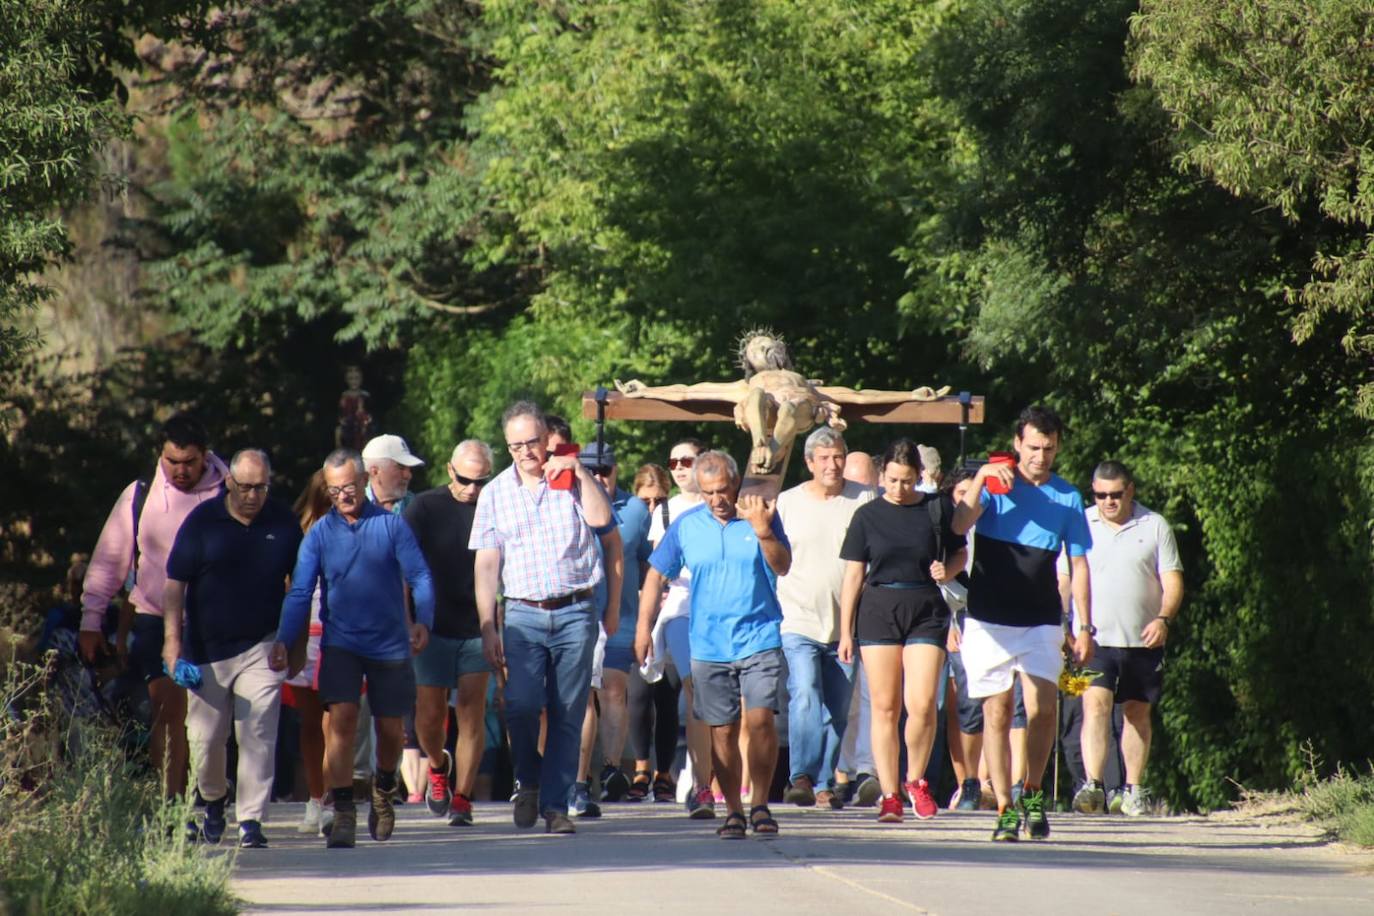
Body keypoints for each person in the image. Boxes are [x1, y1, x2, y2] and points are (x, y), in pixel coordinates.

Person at [273, 449, 435, 849]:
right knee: (341, 720)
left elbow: (420, 577)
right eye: (334, 489)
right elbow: (300, 592)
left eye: (349, 486)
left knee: (390, 729)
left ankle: (383, 788)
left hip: (390, 644)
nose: (343, 495)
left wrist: (423, 622)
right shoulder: (319, 535)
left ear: (364, 480)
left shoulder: (391, 527)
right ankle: (343, 810)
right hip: (341, 641)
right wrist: (283, 638)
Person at [471, 401, 617, 835]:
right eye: (515, 445)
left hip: (575, 610)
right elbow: (486, 564)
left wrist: (579, 471)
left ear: (546, 439)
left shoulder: (571, 482)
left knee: (567, 710)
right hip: (522, 614)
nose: (524, 452)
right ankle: (528, 781)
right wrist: (487, 625)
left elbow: (602, 519)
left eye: (531, 442)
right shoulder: (495, 491)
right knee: (520, 705)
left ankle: (555, 807)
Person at [952, 405, 1093, 842]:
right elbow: (958, 525)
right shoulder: (995, 485)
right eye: (1033, 447)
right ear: (1017, 444)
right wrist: (980, 479)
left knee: (1043, 709)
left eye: (1048, 448)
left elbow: (1080, 563)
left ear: (1058, 448)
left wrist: (1084, 624)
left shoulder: (1068, 497)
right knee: (995, 712)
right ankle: (1006, 809)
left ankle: (1031, 791)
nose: (1040, 456)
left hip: (1040, 617)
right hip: (989, 617)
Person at [637, 450, 792, 839]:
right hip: (708, 643)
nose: (717, 499)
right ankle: (734, 811)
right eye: (708, 492)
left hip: (759, 636)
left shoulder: (761, 514)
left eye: (723, 490)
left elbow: (783, 564)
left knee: (759, 722)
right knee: (721, 730)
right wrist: (643, 627)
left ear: (736, 483)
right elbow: (656, 573)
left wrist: (764, 531)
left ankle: (759, 804)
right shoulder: (688, 526)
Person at [80, 412, 228, 798]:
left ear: (206, 456)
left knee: (209, 722)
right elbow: (109, 560)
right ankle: (171, 808)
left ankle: (208, 797)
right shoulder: (141, 495)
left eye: (189, 462)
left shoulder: (231, 491)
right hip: (155, 619)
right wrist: (91, 622)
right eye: (171, 461)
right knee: (167, 713)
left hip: (216, 624)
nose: (179, 471)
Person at [162, 449, 302, 848]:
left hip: (262, 644)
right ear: (229, 483)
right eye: (244, 487)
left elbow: (301, 587)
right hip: (207, 648)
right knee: (204, 740)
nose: (252, 496)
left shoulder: (284, 523)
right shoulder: (202, 523)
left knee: (257, 730)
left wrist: (293, 642)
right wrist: (172, 645)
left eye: (260, 487)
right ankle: (213, 798)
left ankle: (251, 820)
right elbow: (174, 585)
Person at [838, 439, 967, 823]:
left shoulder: (936, 507)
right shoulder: (867, 516)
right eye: (892, 481)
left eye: (907, 481)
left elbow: (959, 550)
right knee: (884, 706)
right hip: (879, 609)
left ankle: (916, 780)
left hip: (925, 608)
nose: (899, 489)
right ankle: (890, 794)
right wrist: (845, 631)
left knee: (924, 703)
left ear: (919, 477)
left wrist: (951, 571)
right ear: (881, 477)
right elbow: (853, 575)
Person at [1067, 461, 1182, 817]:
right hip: (1093, 638)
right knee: (1095, 706)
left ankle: (1132, 788)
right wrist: (1065, 626)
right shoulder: (1081, 522)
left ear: (1129, 490)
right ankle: (1094, 785)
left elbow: (1173, 579)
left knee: (1136, 713)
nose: (1108, 502)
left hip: (1142, 639)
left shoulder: (1155, 524)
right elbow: (1064, 578)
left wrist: (1164, 619)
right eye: (1100, 495)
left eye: (1115, 494)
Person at [775, 428, 873, 810]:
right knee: (804, 693)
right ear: (809, 463)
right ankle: (799, 775)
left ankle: (823, 782)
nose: (833, 465)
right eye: (825, 458)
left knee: (837, 708)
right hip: (797, 618)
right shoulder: (787, 502)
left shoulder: (863, 498)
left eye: (838, 457)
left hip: (847, 626)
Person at [403, 439, 495, 827]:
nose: (473, 489)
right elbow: (403, 565)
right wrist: (409, 621)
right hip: (432, 625)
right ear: (448, 470)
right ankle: (438, 767)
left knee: (473, 711)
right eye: (465, 479)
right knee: (430, 713)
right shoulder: (424, 507)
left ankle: (463, 796)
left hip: (477, 625)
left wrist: (496, 625)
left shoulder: (495, 506)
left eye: (481, 481)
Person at [569, 443, 651, 813]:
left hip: (622, 617)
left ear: (617, 469)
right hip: (580, 615)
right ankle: (578, 779)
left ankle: (612, 769)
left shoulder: (635, 509)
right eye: (592, 469)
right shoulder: (568, 503)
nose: (600, 476)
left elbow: (647, 564)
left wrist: (649, 619)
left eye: (606, 469)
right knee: (584, 695)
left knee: (614, 690)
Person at [649, 438, 717, 818]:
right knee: (694, 687)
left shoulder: (725, 506)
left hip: (719, 609)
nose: (678, 467)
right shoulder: (665, 511)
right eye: (672, 460)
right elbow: (658, 567)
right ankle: (697, 778)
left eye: (686, 460)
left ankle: (708, 775)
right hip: (679, 609)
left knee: (719, 694)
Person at [624, 462, 680, 802]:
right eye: (646, 500)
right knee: (639, 694)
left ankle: (664, 774)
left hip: (669, 608)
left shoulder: (673, 520)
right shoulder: (631, 525)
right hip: (636, 612)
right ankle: (641, 769)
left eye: (658, 499)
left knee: (668, 695)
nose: (652, 507)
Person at [286, 471, 332, 834]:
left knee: (338, 722)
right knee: (310, 724)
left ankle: (331, 798)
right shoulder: (296, 531)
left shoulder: (356, 526)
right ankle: (315, 800)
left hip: (341, 636)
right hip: (305, 633)